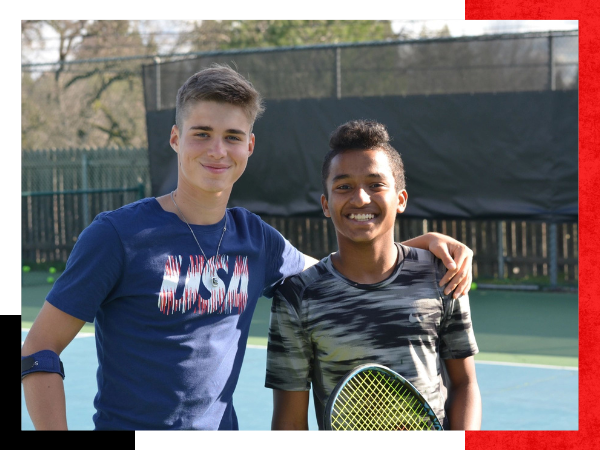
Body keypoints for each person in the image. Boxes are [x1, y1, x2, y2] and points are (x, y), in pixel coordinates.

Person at [21, 64, 474, 431]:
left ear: (250, 146)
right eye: (201, 133)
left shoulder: (256, 240)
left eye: (233, 136)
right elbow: (39, 349)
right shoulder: (116, 235)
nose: (217, 150)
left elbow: (338, 270)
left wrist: (418, 245)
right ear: (176, 138)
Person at [266, 119, 482, 431]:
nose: (360, 199)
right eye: (344, 187)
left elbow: (465, 385)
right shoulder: (297, 297)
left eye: (375, 184)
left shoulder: (441, 276)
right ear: (326, 204)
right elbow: (289, 420)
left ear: (401, 199)